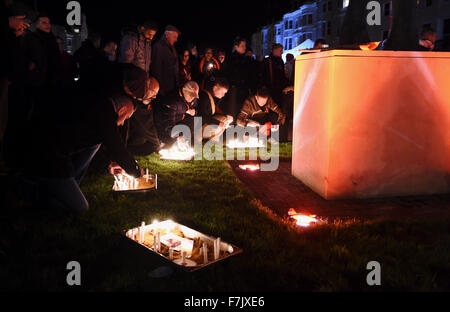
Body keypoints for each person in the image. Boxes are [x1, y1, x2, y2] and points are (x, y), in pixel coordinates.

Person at [22, 64, 147, 214]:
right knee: (81, 208)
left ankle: (66, 185)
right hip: (50, 159)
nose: (123, 122)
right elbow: (116, 146)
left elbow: (100, 142)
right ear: (122, 110)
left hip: (52, 150)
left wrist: (109, 164)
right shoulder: (105, 116)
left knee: (95, 145)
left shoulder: (99, 106)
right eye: (126, 118)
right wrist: (136, 172)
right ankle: (33, 192)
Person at [154, 81, 199, 147]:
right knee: (171, 140)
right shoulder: (172, 100)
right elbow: (168, 122)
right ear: (184, 90)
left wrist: (194, 111)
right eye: (190, 95)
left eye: (194, 96)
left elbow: (196, 108)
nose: (192, 98)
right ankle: (164, 141)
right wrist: (178, 136)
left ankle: (184, 140)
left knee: (195, 121)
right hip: (165, 124)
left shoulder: (192, 99)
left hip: (180, 120)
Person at [126, 76, 161, 156]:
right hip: (130, 141)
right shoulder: (132, 103)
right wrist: (158, 141)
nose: (155, 96)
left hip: (140, 138)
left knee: (153, 145)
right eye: (153, 92)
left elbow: (149, 122)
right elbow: (143, 125)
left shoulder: (145, 102)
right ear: (145, 88)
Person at [223, 37, 255, 120]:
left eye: (245, 45)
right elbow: (227, 73)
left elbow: (250, 74)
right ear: (236, 47)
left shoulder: (247, 59)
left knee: (244, 108)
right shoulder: (231, 59)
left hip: (244, 89)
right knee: (234, 108)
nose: (244, 47)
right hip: (234, 89)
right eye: (242, 46)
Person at [151, 25, 181, 96]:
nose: (176, 40)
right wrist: (160, 88)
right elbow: (156, 68)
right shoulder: (158, 47)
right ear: (167, 35)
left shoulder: (172, 48)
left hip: (172, 87)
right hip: (163, 88)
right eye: (174, 37)